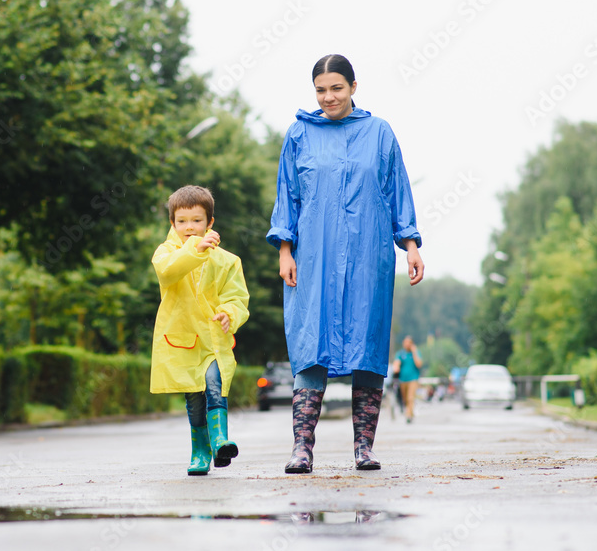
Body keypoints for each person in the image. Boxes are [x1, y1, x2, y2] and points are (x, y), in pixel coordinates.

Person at [267, 54, 424, 473]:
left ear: (354, 87)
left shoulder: (379, 133)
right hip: (313, 257)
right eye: (320, 90)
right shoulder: (299, 134)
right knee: (309, 345)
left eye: (336, 88)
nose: (328, 97)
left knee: (367, 347)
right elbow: (288, 196)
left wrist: (409, 245)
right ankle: (302, 448)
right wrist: (285, 249)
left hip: (367, 256)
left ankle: (364, 448)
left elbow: (397, 191)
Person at [150, 185, 250, 476]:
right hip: (182, 341)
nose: (189, 228)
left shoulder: (228, 261)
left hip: (214, 341)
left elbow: (237, 298)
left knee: (215, 386)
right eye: (182, 221)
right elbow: (169, 271)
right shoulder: (165, 253)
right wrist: (196, 248)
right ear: (172, 223)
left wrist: (229, 314)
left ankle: (220, 441)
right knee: (194, 399)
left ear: (210, 223)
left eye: (197, 221)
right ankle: (200, 451)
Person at [392, 336, 424, 423]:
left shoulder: (416, 353)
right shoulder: (400, 354)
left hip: (413, 379)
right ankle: (409, 412)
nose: (407, 344)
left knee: (410, 397)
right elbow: (396, 363)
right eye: (405, 342)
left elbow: (419, 364)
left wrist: (414, 352)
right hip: (403, 380)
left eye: (409, 342)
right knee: (405, 399)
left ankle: (409, 416)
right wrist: (396, 366)